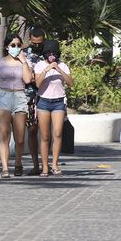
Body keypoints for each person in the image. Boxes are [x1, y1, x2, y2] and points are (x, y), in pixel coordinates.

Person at [0, 34, 33, 178]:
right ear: (7, 47)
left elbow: (28, 79)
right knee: (4, 134)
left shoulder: (25, 62)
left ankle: (18, 163)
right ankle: (4, 168)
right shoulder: (0, 63)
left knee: (20, 138)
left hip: (20, 97)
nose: (16, 48)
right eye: (13, 45)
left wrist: (24, 62)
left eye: (18, 45)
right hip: (4, 97)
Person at [34, 40, 74, 177]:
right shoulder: (39, 65)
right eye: (49, 53)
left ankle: (55, 164)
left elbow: (71, 83)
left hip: (58, 102)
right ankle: (44, 167)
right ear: (45, 54)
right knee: (45, 136)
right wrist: (46, 70)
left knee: (57, 134)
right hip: (43, 102)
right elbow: (38, 84)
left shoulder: (63, 65)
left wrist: (58, 69)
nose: (51, 55)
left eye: (54, 53)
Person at [23, 26, 45, 175]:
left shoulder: (49, 53)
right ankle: (36, 165)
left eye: (40, 43)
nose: (37, 46)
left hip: (46, 95)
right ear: (30, 40)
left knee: (46, 132)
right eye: (34, 43)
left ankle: (47, 165)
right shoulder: (24, 54)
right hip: (29, 96)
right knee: (32, 130)